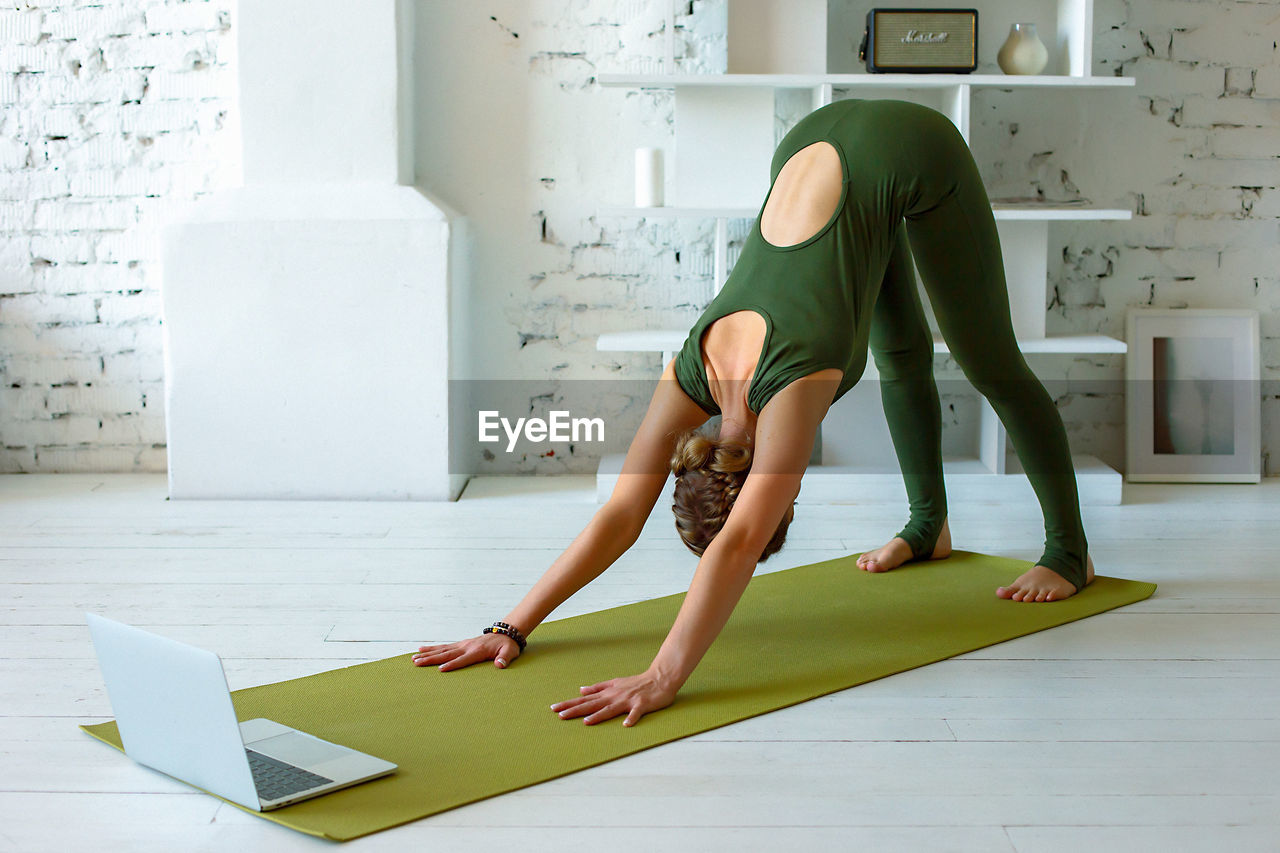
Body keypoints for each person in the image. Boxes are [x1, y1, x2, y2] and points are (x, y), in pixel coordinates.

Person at [412, 98, 1095, 728]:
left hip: (913, 146)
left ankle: (1069, 553)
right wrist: (509, 626)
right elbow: (622, 514)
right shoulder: (691, 369)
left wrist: (663, 675)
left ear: (782, 486)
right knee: (899, 350)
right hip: (806, 141)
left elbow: (735, 542)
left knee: (990, 363)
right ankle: (926, 528)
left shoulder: (793, 385)